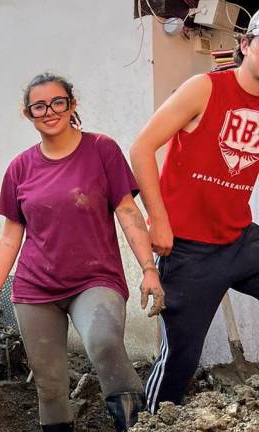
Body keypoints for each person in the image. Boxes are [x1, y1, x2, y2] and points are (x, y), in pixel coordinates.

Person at [0, 72, 165, 432]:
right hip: (35, 289)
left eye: (58, 102)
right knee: (49, 386)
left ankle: (136, 427)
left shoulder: (101, 149)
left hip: (95, 278)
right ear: (28, 113)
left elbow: (127, 212)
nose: (49, 111)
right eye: (39, 106)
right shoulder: (19, 168)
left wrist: (149, 269)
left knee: (105, 343)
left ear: (72, 104)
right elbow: (11, 235)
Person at [130, 12, 259, 414]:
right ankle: (149, 422)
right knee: (180, 363)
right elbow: (141, 149)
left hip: (239, 240)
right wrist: (160, 219)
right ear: (245, 45)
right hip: (188, 250)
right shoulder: (204, 88)